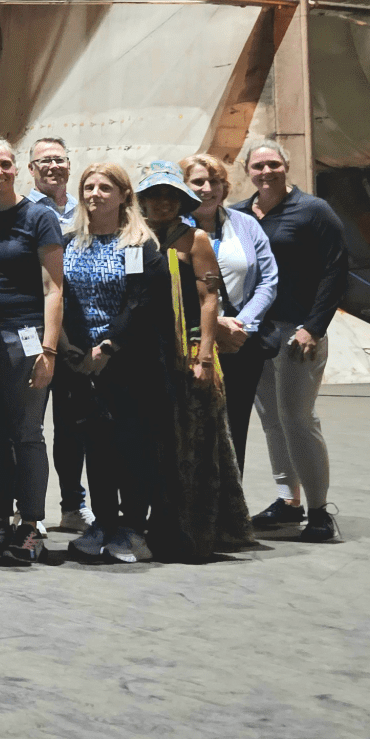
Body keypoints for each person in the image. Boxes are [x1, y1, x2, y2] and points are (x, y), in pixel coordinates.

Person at [135, 161, 254, 561]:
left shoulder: (196, 239)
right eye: (154, 196)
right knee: (152, 444)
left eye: (170, 195)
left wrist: (204, 355)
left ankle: (193, 531)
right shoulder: (133, 238)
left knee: (196, 445)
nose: (162, 203)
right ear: (142, 201)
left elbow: (209, 298)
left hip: (186, 353)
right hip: (145, 355)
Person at [0, 137, 65, 565]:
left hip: (26, 340)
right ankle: (0, 519)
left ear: (16, 168)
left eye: (4, 164)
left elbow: (53, 287)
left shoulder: (39, 217)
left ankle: (31, 524)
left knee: (26, 433)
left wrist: (49, 350)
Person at [243, 141, 349, 542]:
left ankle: (319, 512)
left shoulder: (313, 211)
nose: (266, 171)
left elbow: (336, 270)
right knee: (272, 420)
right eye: (258, 165)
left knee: (298, 418)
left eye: (273, 164)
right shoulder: (239, 213)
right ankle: (289, 502)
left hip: (297, 333)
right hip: (257, 333)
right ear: (247, 170)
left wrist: (314, 327)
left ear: (286, 167)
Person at [58, 162, 160, 565]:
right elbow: (59, 297)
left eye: (104, 188)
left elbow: (141, 302)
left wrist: (109, 347)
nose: (94, 194)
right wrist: (71, 349)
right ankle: (102, 521)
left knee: (131, 446)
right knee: (96, 447)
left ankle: (132, 527)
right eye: (88, 187)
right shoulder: (69, 241)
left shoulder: (137, 246)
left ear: (123, 196)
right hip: (79, 361)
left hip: (126, 362)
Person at [181, 152, 279, 474]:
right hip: (191, 344)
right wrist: (213, 324)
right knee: (191, 429)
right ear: (183, 186)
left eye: (215, 181)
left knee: (234, 428)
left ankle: (230, 514)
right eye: (198, 182)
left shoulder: (246, 225)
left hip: (240, 343)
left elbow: (268, 280)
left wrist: (241, 325)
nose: (208, 188)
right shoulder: (172, 231)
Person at [25, 135, 89, 533]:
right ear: (30, 169)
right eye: (43, 160)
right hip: (34, 332)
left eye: (58, 159)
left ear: (69, 164)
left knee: (72, 426)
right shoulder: (22, 212)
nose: (52, 166)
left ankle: (72, 505)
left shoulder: (87, 212)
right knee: (28, 426)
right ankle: (26, 507)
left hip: (79, 338)